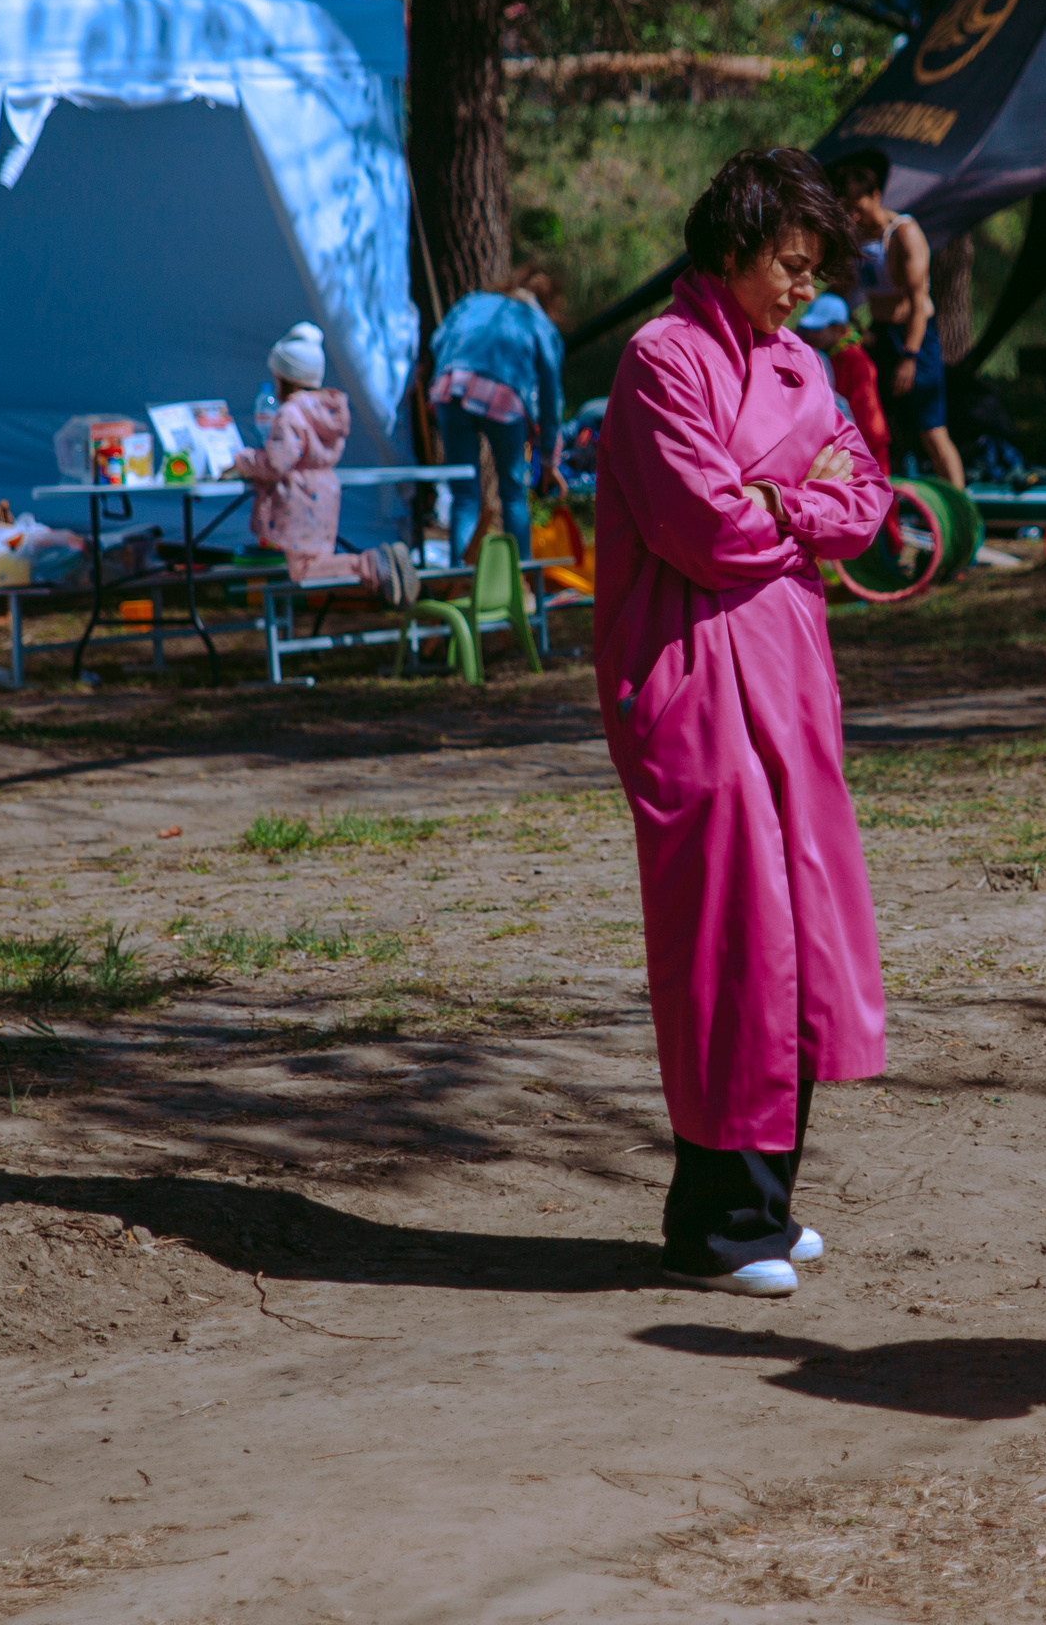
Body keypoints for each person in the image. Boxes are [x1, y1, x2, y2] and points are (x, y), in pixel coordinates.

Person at [596, 148, 897, 1297]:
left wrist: (778, 500)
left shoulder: (804, 365)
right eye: (788, 264)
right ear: (732, 247)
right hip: (691, 677)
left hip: (787, 671)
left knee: (804, 936)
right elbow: (699, 528)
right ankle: (716, 1229)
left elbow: (865, 499)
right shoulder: (659, 362)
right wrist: (793, 507)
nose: (801, 290)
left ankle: (766, 1206)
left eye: (815, 271)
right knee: (731, 939)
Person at [228, 324, 417, 607]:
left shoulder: (290, 412)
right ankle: (378, 563)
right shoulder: (323, 411)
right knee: (318, 562)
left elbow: (278, 462)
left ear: (285, 377)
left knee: (304, 570)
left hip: (297, 499)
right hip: (325, 493)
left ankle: (372, 563)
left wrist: (244, 461)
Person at [833, 148, 963, 488]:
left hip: (915, 336)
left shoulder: (903, 234)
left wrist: (909, 356)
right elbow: (840, 294)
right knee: (885, 427)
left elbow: (919, 303)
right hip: (881, 333)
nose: (851, 212)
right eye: (844, 204)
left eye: (855, 203)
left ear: (875, 196)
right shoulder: (856, 239)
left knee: (932, 431)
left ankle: (963, 514)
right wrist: (855, 329)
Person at [429, 264, 567, 558]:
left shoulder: (473, 302)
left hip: (451, 387)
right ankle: (520, 578)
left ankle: (461, 582)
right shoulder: (537, 321)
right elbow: (551, 393)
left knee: (464, 496)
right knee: (514, 493)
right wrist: (548, 459)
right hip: (504, 400)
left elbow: (437, 341)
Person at [795, 290, 892, 472]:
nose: (810, 335)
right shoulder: (826, 354)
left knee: (877, 493)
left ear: (839, 329)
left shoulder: (855, 359)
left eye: (817, 329)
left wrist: (859, 446)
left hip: (868, 441)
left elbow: (865, 408)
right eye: (807, 329)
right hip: (848, 437)